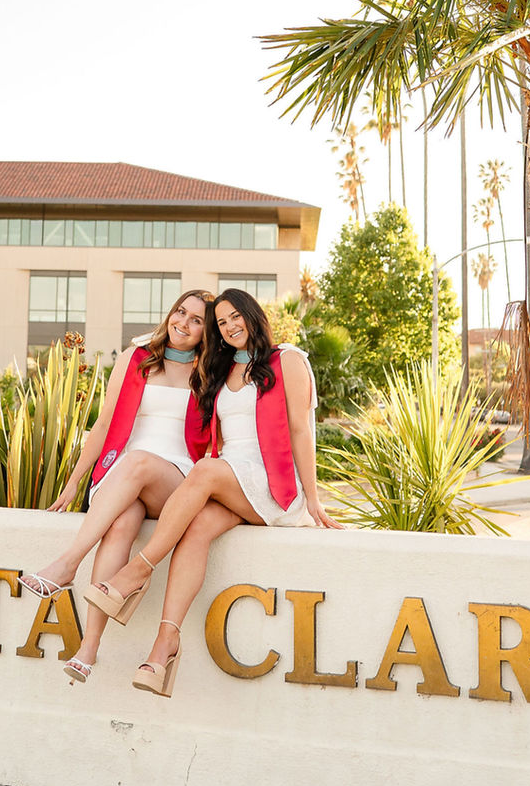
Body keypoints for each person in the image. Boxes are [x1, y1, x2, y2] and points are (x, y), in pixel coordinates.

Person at [84, 288, 343, 697]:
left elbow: (300, 430)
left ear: (253, 315)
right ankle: (162, 649)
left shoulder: (287, 360)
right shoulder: (221, 369)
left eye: (235, 316)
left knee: (204, 473)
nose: (230, 326)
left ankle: (137, 572)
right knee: (198, 528)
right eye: (221, 322)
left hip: (271, 484)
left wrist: (312, 499)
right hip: (232, 480)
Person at [18, 288, 216, 684]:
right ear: (170, 313)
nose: (184, 323)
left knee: (139, 461)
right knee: (121, 526)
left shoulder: (208, 372)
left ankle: (68, 563)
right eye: (181, 312)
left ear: (205, 332)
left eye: (197, 320)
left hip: (174, 481)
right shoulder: (136, 359)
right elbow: (105, 424)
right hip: (125, 477)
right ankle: (88, 650)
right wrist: (74, 483)